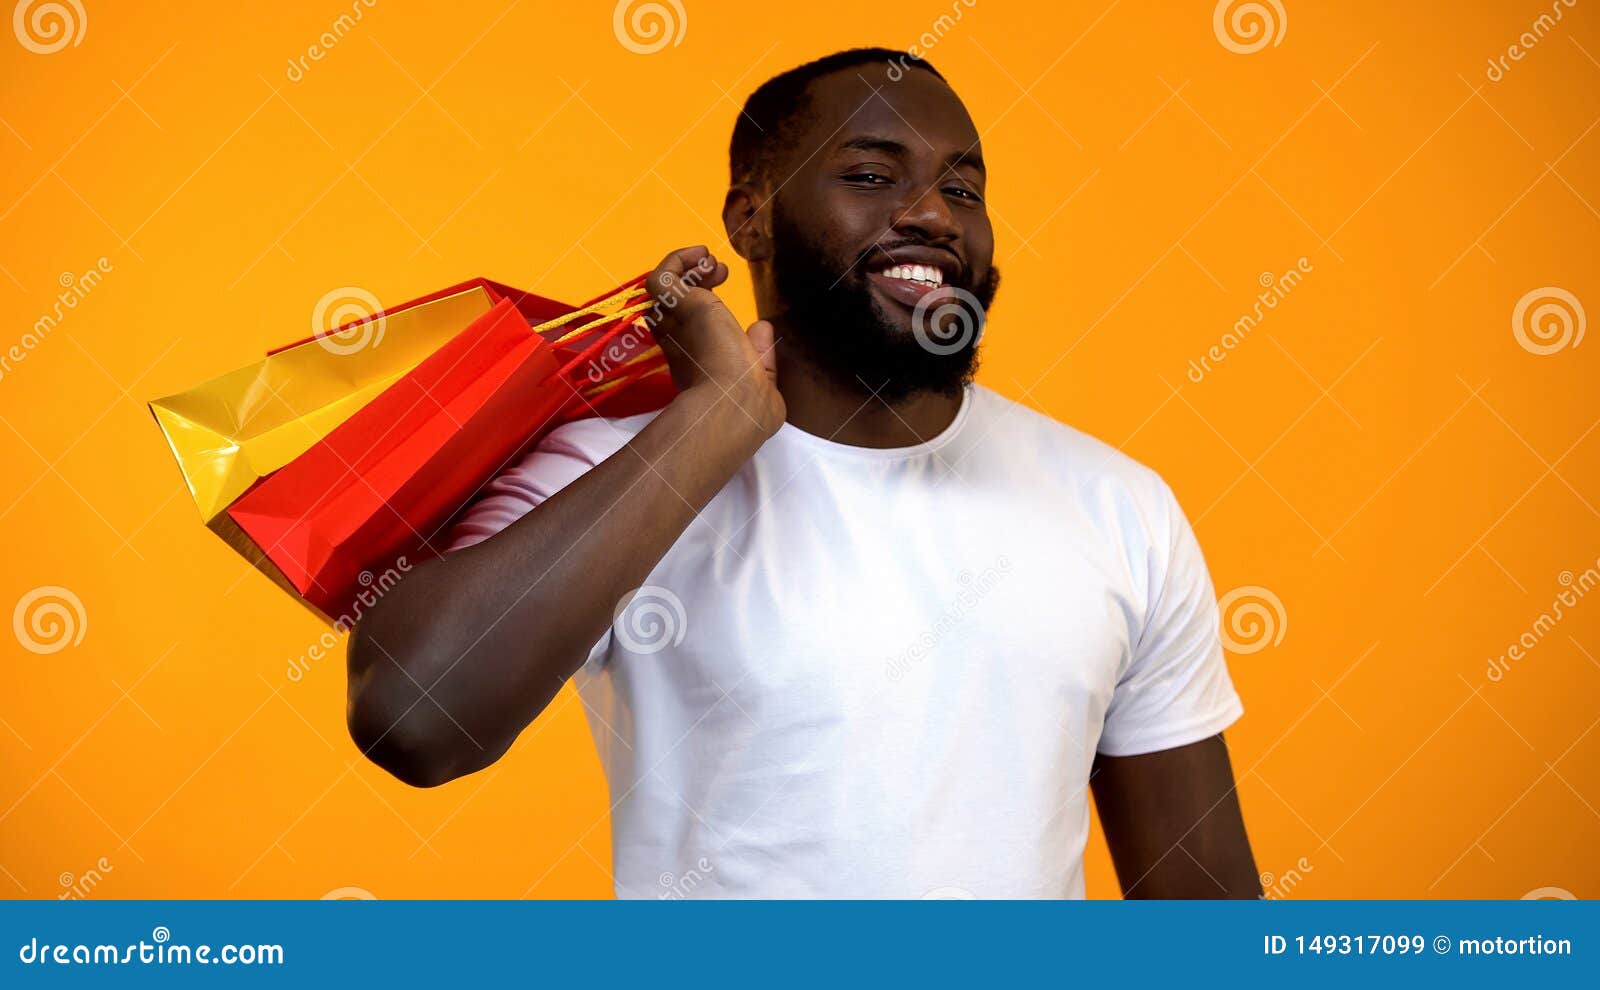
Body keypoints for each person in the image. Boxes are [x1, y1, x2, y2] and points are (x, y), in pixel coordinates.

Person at [346, 48, 1258, 899]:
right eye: (870, 175)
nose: (934, 214)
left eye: (963, 187)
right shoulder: (623, 471)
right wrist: (712, 422)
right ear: (750, 217)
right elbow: (414, 721)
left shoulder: (1118, 505)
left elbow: (1203, 910)